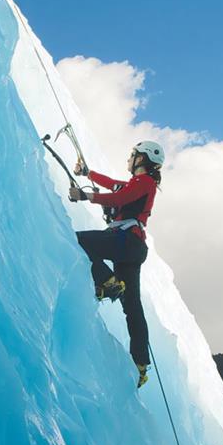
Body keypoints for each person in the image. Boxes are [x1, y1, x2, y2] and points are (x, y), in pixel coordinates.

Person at [69, 141, 164, 388]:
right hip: (131, 247)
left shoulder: (144, 183)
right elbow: (112, 184)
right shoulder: (138, 184)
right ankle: (140, 364)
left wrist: (85, 195)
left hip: (126, 240)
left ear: (142, 159)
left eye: (133, 155)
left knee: (77, 240)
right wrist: (87, 174)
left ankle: (107, 282)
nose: (129, 158)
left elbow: (119, 196)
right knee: (132, 307)